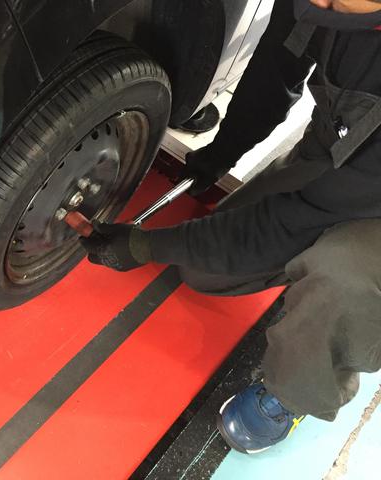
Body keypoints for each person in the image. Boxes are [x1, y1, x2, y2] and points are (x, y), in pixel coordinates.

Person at [81, 0, 381, 454]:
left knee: (341, 277)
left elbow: (288, 222)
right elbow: (274, 75)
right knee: (207, 271)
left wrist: (148, 246)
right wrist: (222, 154)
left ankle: (296, 392)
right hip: (340, 147)